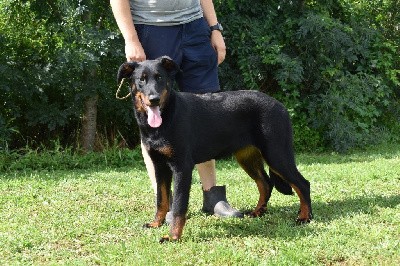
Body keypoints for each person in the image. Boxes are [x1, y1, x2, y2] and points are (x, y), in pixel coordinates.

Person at [110, 0, 243, 220]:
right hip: (152, 29)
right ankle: (166, 204)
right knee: (152, 121)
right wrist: (131, 38)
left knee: (205, 110)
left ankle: (213, 197)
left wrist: (214, 28)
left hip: (195, 27)